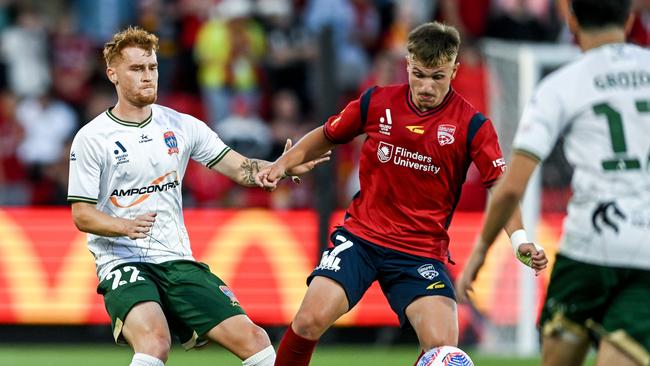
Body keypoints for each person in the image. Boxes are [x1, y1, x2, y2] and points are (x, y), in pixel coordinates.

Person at [256, 21, 547, 366]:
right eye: (419, 74)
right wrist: (284, 163)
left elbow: (500, 187)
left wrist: (519, 240)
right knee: (308, 320)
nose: (426, 86)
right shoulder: (378, 102)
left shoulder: (472, 125)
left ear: (454, 70)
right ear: (407, 64)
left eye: (437, 77)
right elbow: (328, 133)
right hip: (361, 239)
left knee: (445, 350)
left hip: (420, 252)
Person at [67, 27, 328, 366]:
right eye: (136, 69)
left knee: (255, 340)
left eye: (152, 68)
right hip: (122, 259)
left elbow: (240, 167)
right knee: (154, 341)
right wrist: (123, 226)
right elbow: (82, 215)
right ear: (112, 74)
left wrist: (280, 167)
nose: (147, 77)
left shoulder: (181, 125)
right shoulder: (92, 138)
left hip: (176, 259)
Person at [456, 1, 650, 365]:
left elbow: (511, 187)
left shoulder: (561, 84)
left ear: (570, 18)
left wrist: (480, 252)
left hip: (589, 247)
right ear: (629, 18)